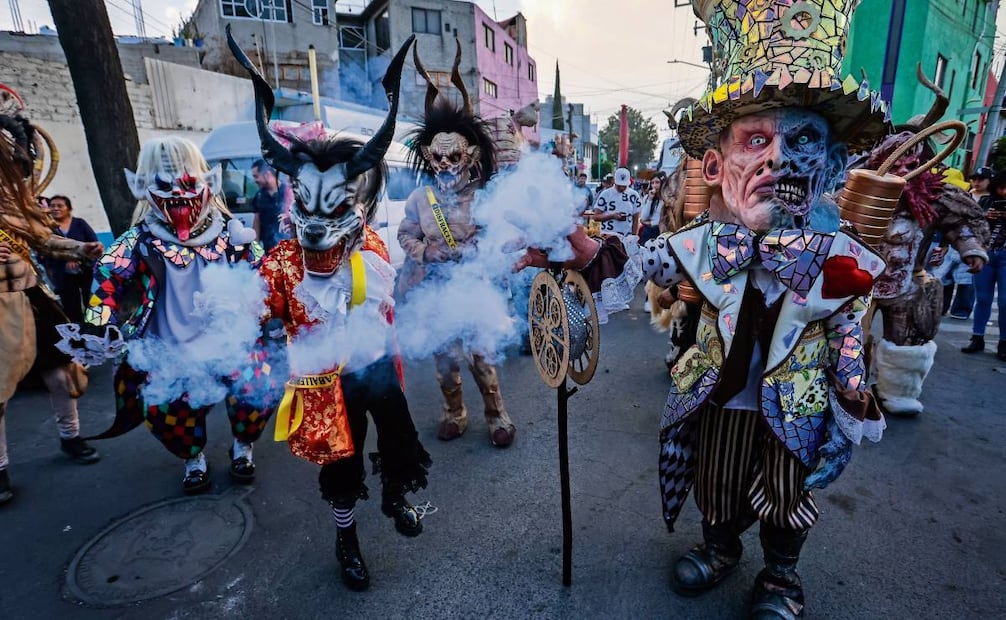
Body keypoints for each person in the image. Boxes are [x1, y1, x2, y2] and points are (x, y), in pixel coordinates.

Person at [519, 1, 890, 616]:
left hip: (795, 405)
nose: (778, 161)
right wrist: (577, 247)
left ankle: (780, 574)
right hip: (717, 395)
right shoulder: (702, 244)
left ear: (830, 165)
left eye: (802, 141)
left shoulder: (843, 261)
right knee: (715, 479)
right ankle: (719, 545)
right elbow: (635, 265)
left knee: (786, 489)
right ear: (716, 167)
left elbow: (851, 333)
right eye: (756, 140)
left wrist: (850, 393)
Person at [230, 31, 430, 591]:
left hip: (376, 371)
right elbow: (249, 309)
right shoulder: (281, 263)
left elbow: (388, 308)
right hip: (323, 384)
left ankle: (394, 502)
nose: (318, 229)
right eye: (307, 209)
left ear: (354, 201)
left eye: (334, 207)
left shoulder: (373, 249)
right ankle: (347, 540)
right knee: (340, 471)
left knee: (397, 446)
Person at [78, 136, 277, 494]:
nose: (179, 194)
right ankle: (193, 459)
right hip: (169, 348)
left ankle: (243, 447)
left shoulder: (234, 234)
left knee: (257, 392)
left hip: (231, 341)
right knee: (170, 414)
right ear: (143, 189)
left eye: (188, 183)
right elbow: (107, 278)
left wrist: (268, 312)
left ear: (208, 183)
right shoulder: (139, 240)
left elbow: (265, 275)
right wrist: (98, 325)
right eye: (165, 185)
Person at [397, 39, 517, 448]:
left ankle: (497, 416)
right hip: (436, 288)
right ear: (429, 158)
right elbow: (405, 234)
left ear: (468, 157)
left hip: (474, 286)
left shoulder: (482, 196)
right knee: (445, 363)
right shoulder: (418, 199)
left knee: (482, 357)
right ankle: (454, 413)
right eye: (438, 160)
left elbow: (495, 233)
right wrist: (424, 251)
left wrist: (475, 250)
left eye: (453, 159)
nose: (445, 167)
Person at [863, 82, 989, 416]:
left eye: (910, 161)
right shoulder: (862, 188)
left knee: (909, 338)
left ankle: (896, 391)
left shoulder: (935, 193)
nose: (903, 168)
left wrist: (971, 248)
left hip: (909, 281)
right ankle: (848, 389)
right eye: (896, 161)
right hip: (859, 281)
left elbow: (959, 224)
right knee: (847, 338)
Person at [0, 113, 104, 505]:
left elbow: (46, 240)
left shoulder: (15, 203)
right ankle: (0, 469)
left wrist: (83, 248)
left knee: (63, 374)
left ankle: (71, 439)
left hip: (33, 297)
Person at [962, 169, 1006, 360]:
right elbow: (972, 225)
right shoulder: (987, 201)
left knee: (1005, 302)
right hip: (986, 253)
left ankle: (1004, 341)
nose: (1004, 192)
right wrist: (988, 217)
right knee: (982, 298)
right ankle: (977, 336)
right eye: (1001, 188)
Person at [41, 194, 99, 323]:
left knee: (89, 302)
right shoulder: (47, 229)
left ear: (69, 209)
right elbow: (45, 251)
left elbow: (93, 243)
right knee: (70, 307)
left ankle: (93, 330)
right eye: (52, 206)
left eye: (60, 206)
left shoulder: (80, 224)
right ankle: (76, 335)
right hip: (61, 275)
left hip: (84, 272)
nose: (55, 208)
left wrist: (78, 258)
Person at [250, 159, 290, 253]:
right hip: (269, 251)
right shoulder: (259, 196)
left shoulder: (289, 193)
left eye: (256, 176)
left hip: (288, 250)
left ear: (267, 174)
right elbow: (257, 224)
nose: (255, 180)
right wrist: (256, 250)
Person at [588, 166, 640, 238]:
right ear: (614, 181)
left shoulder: (634, 195)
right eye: (619, 185)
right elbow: (595, 216)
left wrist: (634, 238)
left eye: (624, 186)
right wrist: (612, 216)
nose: (622, 188)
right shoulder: (605, 194)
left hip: (626, 238)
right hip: (608, 236)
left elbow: (636, 219)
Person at [637, 174, 664, 244]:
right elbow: (643, 217)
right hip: (647, 231)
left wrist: (651, 223)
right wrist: (650, 199)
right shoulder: (647, 197)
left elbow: (663, 219)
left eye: (657, 182)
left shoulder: (665, 199)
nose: (654, 185)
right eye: (652, 183)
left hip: (660, 231)